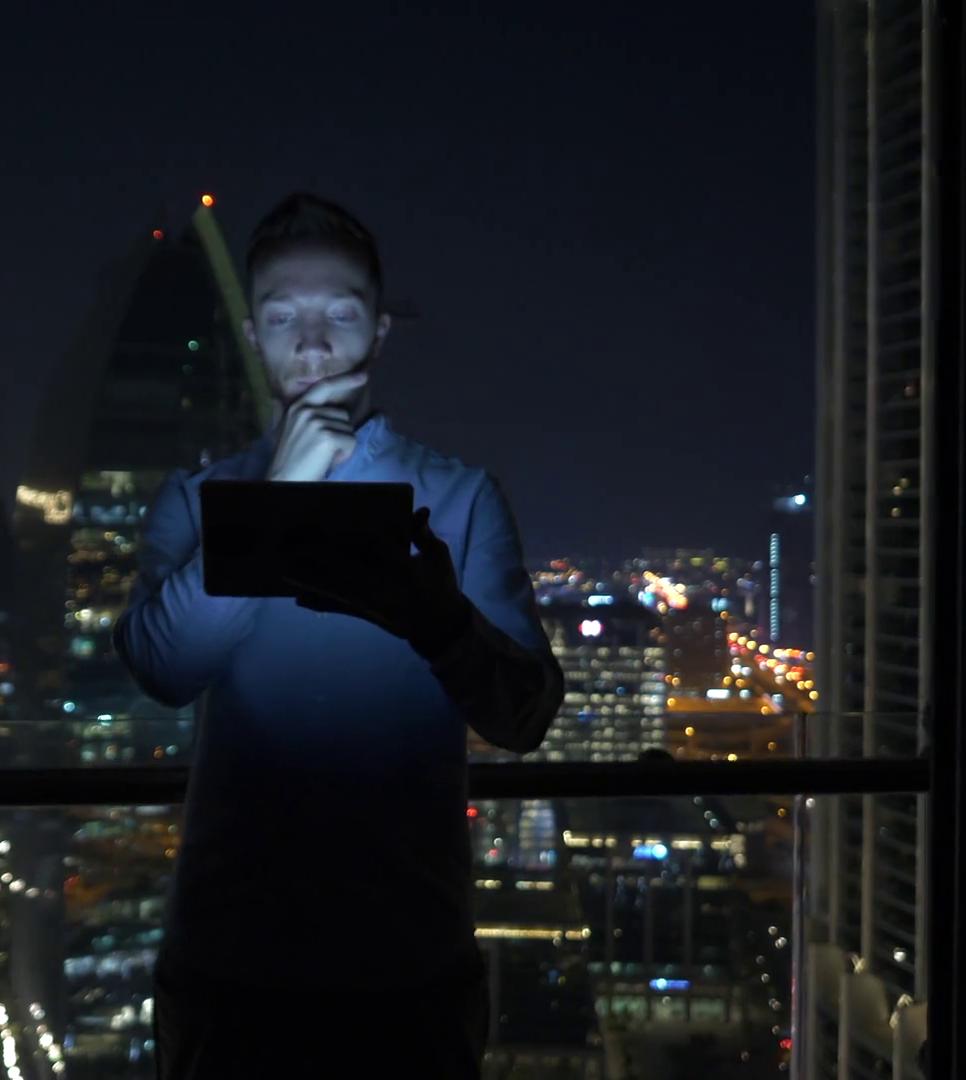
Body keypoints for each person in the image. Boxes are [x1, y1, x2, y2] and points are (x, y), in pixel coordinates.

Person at [113, 192, 565, 1079]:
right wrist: (277, 498)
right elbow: (163, 668)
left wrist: (439, 621)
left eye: (341, 316)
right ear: (253, 335)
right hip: (231, 961)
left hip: (408, 964)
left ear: (380, 333)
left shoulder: (461, 497)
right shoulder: (197, 499)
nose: (313, 344)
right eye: (285, 318)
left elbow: (526, 716)